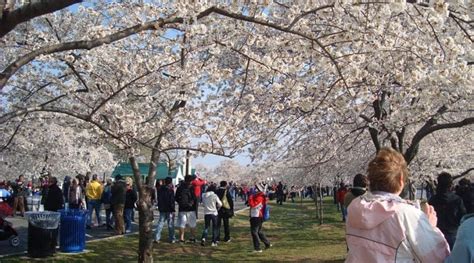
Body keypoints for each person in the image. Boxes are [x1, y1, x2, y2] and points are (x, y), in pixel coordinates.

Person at [345, 147, 449, 262]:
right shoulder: (407, 215)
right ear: (400, 179)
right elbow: (437, 257)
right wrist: (431, 227)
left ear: (370, 179)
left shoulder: (355, 207)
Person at [429, 172, 466, 249]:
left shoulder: (433, 200)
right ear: (450, 185)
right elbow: (463, 216)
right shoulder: (457, 199)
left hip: (436, 233)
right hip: (453, 233)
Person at [248, 182, 271, 253]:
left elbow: (253, 205)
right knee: (259, 231)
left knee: (254, 232)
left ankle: (257, 248)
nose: (255, 190)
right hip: (256, 215)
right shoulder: (259, 196)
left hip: (257, 216)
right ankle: (267, 243)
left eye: (256, 189)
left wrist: (250, 197)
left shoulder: (260, 197)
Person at [175, 175, 197, 243]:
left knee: (182, 223)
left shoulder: (180, 187)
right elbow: (194, 198)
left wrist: (180, 203)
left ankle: (181, 238)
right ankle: (192, 237)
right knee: (192, 223)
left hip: (182, 208)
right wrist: (192, 203)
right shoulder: (192, 188)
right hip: (191, 208)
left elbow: (176, 197)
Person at [154, 177, 176, 243]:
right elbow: (171, 201)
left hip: (162, 208)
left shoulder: (160, 189)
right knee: (170, 224)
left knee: (160, 223)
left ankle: (157, 237)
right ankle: (172, 238)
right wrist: (173, 209)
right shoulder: (170, 190)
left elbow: (158, 199)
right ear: (170, 182)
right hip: (169, 208)